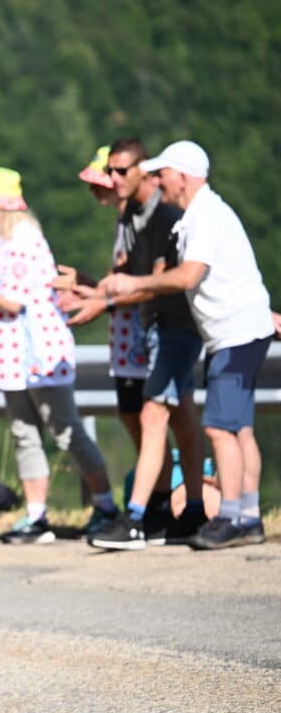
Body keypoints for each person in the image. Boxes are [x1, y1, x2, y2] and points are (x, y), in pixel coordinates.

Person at [99, 140, 272, 550]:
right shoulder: (199, 215)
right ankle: (247, 514)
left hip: (234, 333)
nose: (159, 180)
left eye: (164, 174)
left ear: (184, 176)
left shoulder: (206, 216)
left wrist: (133, 284)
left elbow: (187, 277)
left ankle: (233, 516)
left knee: (220, 427)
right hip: (236, 330)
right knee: (240, 429)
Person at [0, 167, 120, 544]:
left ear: (4, 207)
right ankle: (37, 517)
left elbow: (14, 302)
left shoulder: (22, 239)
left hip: (37, 354)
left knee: (66, 431)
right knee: (25, 434)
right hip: (10, 355)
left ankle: (105, 505)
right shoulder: (0, 242)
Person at [66, 140, 207, 550]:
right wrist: (92, 290)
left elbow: (156, 282)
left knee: (152, 417)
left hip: (174, 325)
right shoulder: (131, 213)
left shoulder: (163, 215)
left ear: (144, 171)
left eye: (119, 172)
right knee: (181, 418)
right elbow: (127, 276)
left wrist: (104, 299)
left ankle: (137, 518)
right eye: (108, 172)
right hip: (155, 327)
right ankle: (189, 509)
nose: (110, 180)